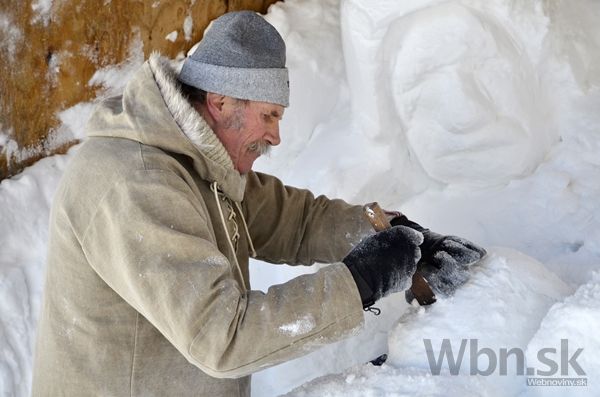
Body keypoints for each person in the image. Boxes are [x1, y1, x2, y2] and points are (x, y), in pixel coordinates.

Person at [31, 11, 486, 397]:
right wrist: (362, 279)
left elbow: (297, 221)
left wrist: (391, 232)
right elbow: (223, 337)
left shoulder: (196, 167)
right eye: (269, 115)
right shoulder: (136, 183)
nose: (276, 136)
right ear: (220, 100)